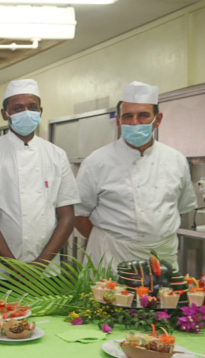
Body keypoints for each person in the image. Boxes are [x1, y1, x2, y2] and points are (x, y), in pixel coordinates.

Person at [75, 81, 197, 271]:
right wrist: (108, 242)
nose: (135, 123)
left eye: (143, 116)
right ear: (118, 121)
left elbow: (180, 207)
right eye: (127, 116)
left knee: (163, 301)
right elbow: (79, 214)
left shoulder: (176, 160)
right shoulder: (97, 161)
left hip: (161, 257)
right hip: (111, 257)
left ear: (158, 119)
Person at [0, 79, 79, 279]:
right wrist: (14, 267)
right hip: (2, 271)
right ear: (5, 114)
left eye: (32, 107)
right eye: (18, 108)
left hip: (46, 271)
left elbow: (67, 217)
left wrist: (41, 265)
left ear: (40, 111)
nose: (26, 112)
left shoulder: (56, 154)